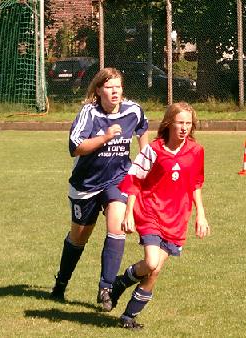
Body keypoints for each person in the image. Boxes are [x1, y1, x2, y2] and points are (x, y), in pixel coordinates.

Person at [50, 68, 149, 313]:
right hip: (86, 183)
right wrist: (105, 138)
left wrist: (144, 163)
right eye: (109, 87)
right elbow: (76, 147)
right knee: (78, 237)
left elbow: (143, 132)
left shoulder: (132, 110)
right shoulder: (89, 113)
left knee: (117, 227)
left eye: (118, 86)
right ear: (98, 90)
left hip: (117, 179)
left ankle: (106, 288)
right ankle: (61, 282)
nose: (115, 91)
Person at [109, 101, 210, 330]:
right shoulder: (153, 150)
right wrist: (129, 214)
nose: (184, 128)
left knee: (154, 270)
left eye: (188, 123)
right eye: (179, 123)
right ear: (169, 123)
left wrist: (200, 215)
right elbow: (134, 179)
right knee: (152, 262)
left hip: (177, 218)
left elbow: (196, 184)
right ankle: (120, 283)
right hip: (150, 211)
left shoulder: (196, 151)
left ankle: (127, 314)